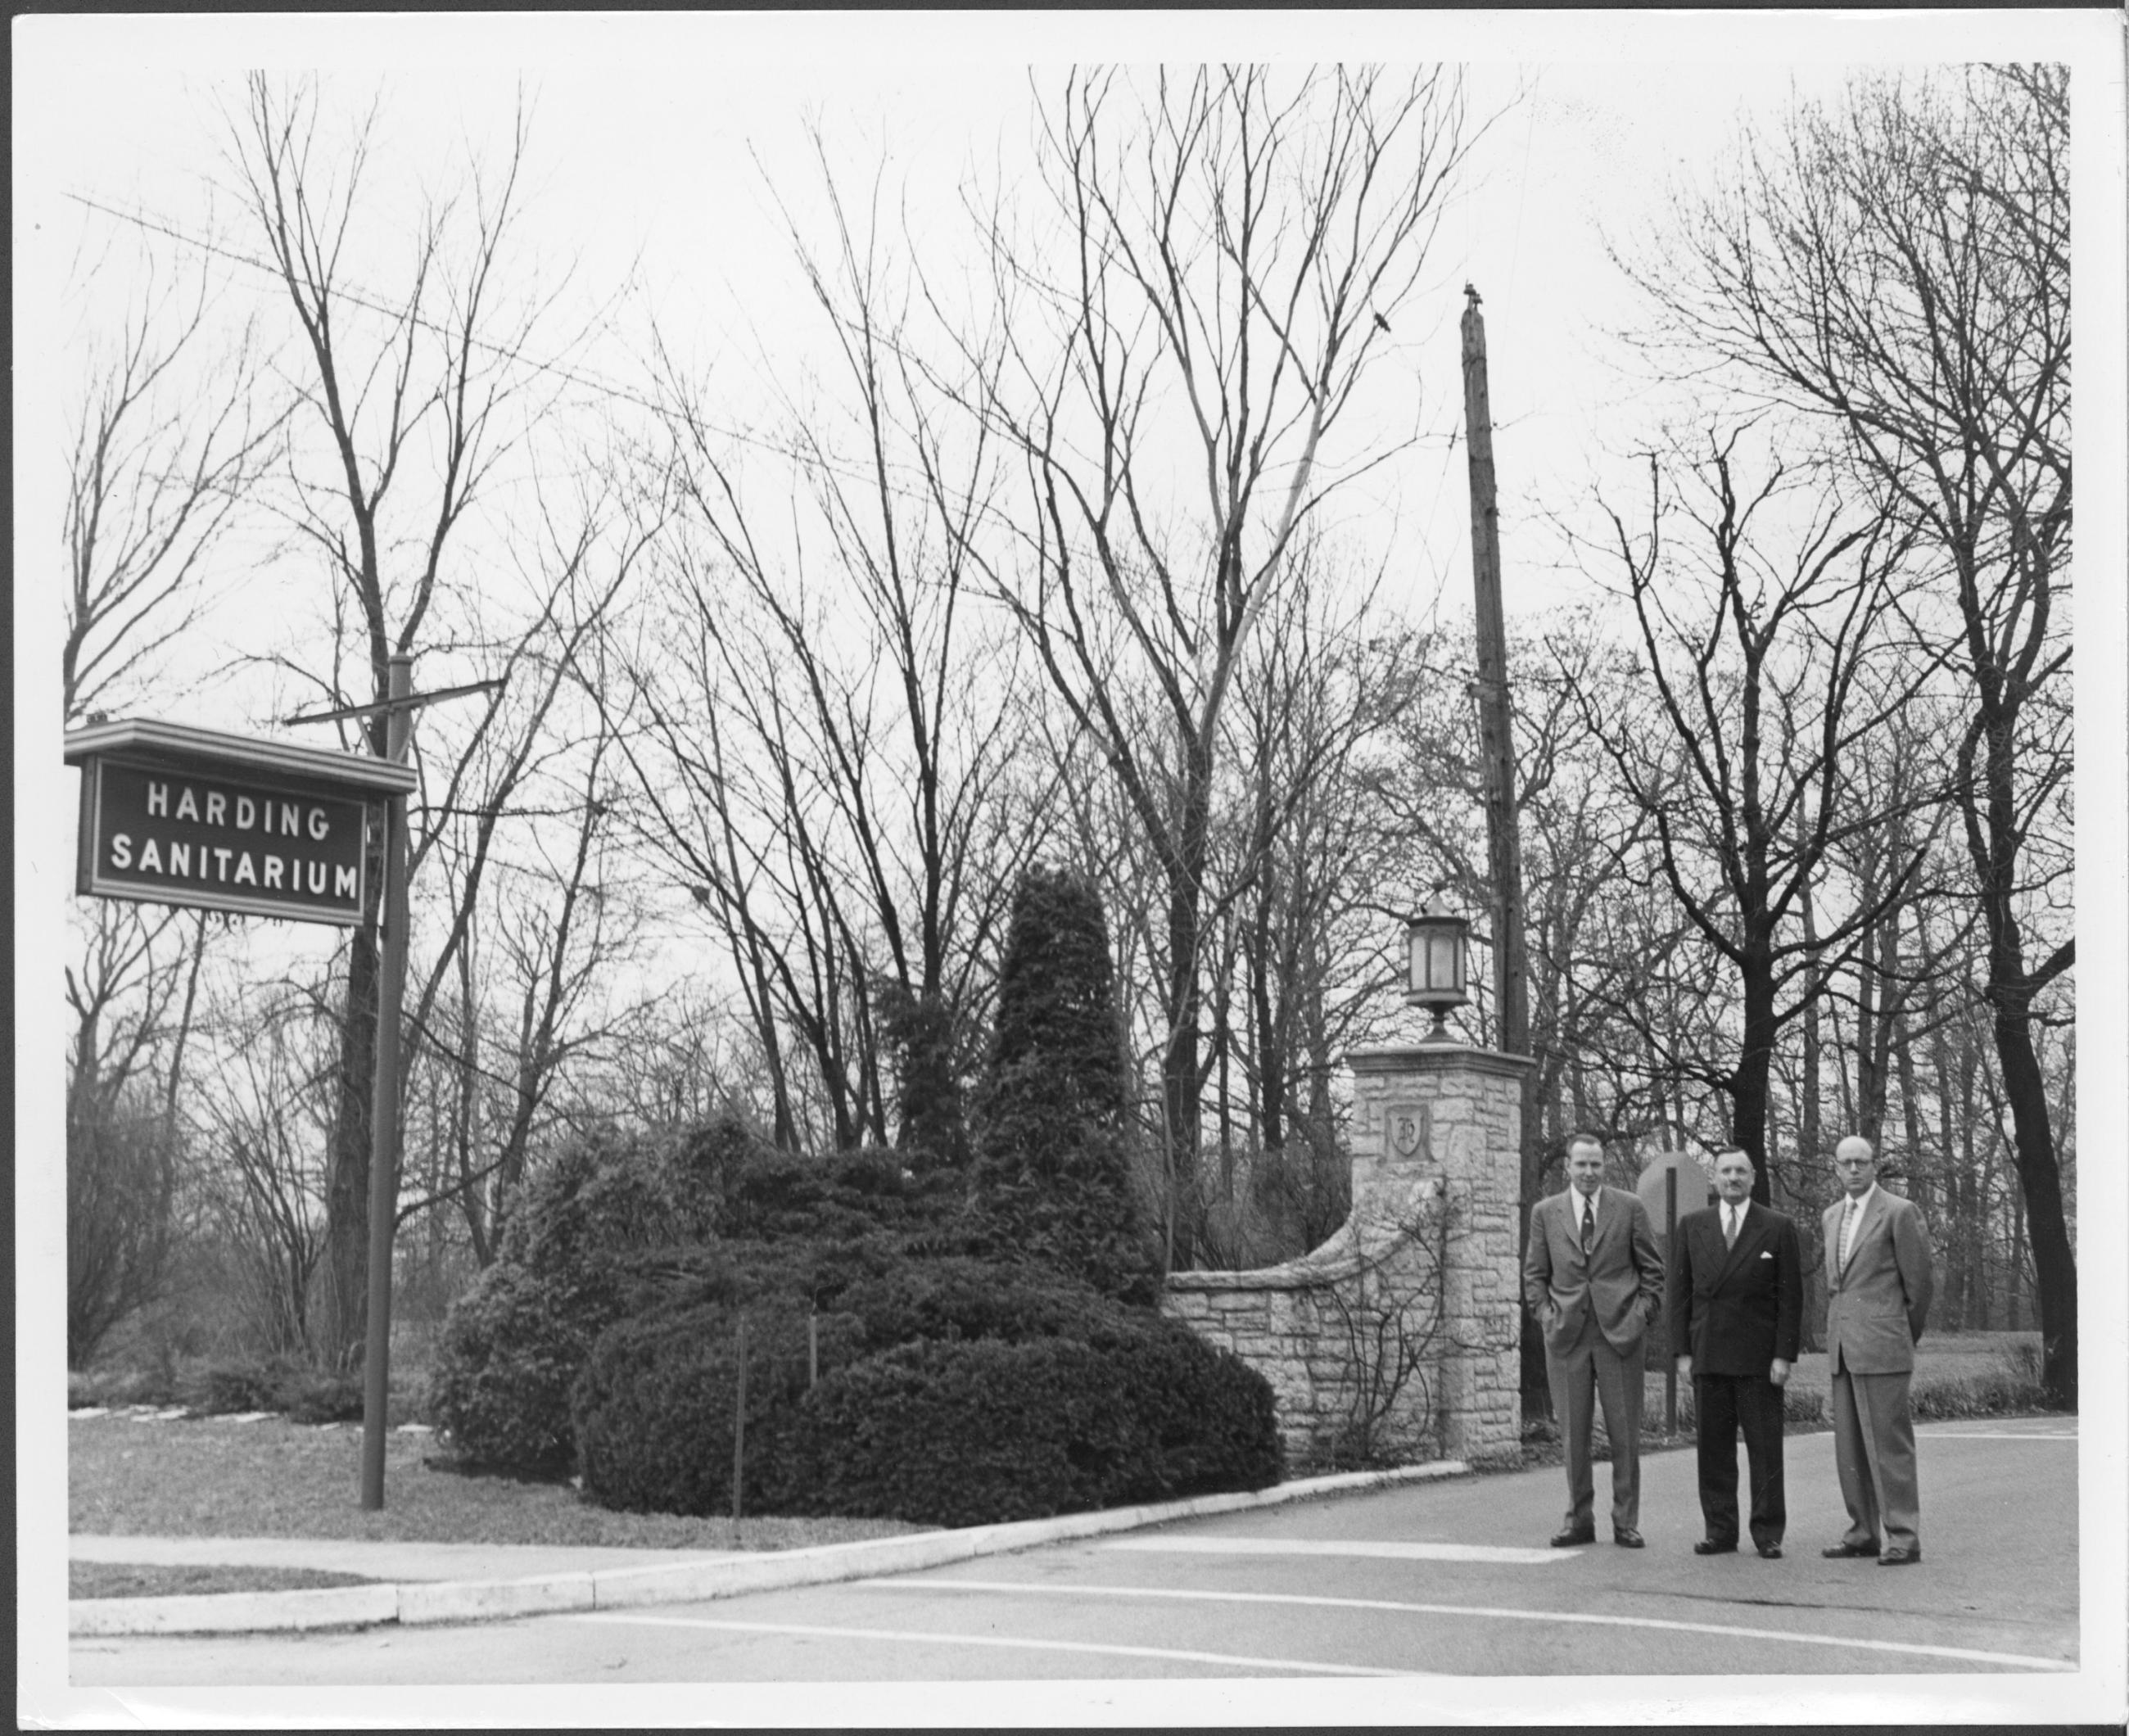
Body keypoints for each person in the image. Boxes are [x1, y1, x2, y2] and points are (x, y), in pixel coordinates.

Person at [1523, 1132, 1665, 1548]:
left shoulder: (1630, 1208)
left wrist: (1641, 1316)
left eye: (1596, 1164)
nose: (1588, 1172)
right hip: (1566, 1336)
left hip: (1620, 1334)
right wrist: (1547, 1318)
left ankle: (1626, 1521)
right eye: (1581, 1164)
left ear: (1605, 1166)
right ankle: (1578, 1519)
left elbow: (1653, 1271)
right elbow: (1535, 1276)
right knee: (1574, 1435)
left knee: (1625, 1433)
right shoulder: (1546, 1213)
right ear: (1567, 1166)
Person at [1667, 1148, 1801, 1558]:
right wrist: (1682, 1354)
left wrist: (1783, 1356)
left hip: (1759, 1360)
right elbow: (1679, 1295)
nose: (1732, 1178)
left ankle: (1768, 1532)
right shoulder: (1693, 1226)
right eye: (1725, 1171)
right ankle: (1720, 1530)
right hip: (1709, 1354)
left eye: (1740, 1171)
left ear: (1753, 1176)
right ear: (1714, 1177)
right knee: (1713, 1449)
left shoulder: (1777, 1227)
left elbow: (1791, 1298)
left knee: (1765, 1449)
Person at [1820, 1134, 1934, 1566]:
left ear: (1875, 1166)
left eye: (1861, 1162)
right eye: (1845, 1162)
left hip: (1884, 1346)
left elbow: (1919, 1285)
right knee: (1849, 1447)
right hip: (1842, 1347)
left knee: (1889, 1445)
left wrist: (1901, 1335)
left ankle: (1903, 1536)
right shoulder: (1832, 1215)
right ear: (1836, 1167)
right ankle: (1862, 1531)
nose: (1853, 1169)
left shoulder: (1900, 1212)